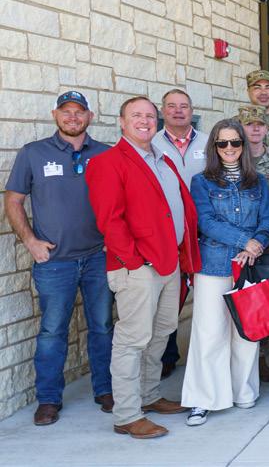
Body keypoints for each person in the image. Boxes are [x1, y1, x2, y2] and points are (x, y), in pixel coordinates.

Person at [86, 96, 201, 439]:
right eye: (136, 115)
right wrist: (134, 261)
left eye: (150, 116)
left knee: (161, 332)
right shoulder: (108, 162)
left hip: (168, 263)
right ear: (121, 122)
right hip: (138, 268)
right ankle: (126, 414)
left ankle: (149, 395)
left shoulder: (162, 160)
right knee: (132, 340)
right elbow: (110, 220)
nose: (145, 121)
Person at [4, 91, 112, 426]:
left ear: (90, 117)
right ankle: (48, 399)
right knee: (52, 331)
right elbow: (13, 199)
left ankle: (106, 390)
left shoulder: (106, 154)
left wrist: (116, 241)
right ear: (55, 115)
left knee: (103, 327)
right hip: (54, 261)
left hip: (98, 258)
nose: (73, 117)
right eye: (66, 111)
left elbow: (122, 201)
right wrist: (30, 240)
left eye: (80, 111)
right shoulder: (34, 153)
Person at [182, 119, 269, 426]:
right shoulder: (202, 182)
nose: (230, 148)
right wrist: (243, 241)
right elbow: (205, 222)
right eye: (223, 143)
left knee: (246, 333)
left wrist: (255, 246)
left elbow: (266, 222)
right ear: (215, 146)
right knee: (210, 333)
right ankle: (204, 398)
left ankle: (243, 391)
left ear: (243, 145)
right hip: (214, 265)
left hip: (248, 265)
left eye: (235, 142)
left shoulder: (258, 182)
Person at [152, 88, 210, 378]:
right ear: (163, 111)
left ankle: (208, 356)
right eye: (172, 106)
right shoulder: (151, 143)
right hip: (169, 231)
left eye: (183, 106)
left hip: (205, 231)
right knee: (169, 297)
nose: (178, 111)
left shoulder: (209, 142)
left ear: (191, 111)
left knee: (208, 296)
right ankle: (166, 355)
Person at [239, 104, 269, 383]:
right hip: (236, 244)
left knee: (263, 302)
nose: (255, 128)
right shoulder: (232, 157)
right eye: (249, 124)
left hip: (267, 244)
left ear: (267, 128)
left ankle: (261, 359)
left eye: (260, 124)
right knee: (237, 302)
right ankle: (238, 360)